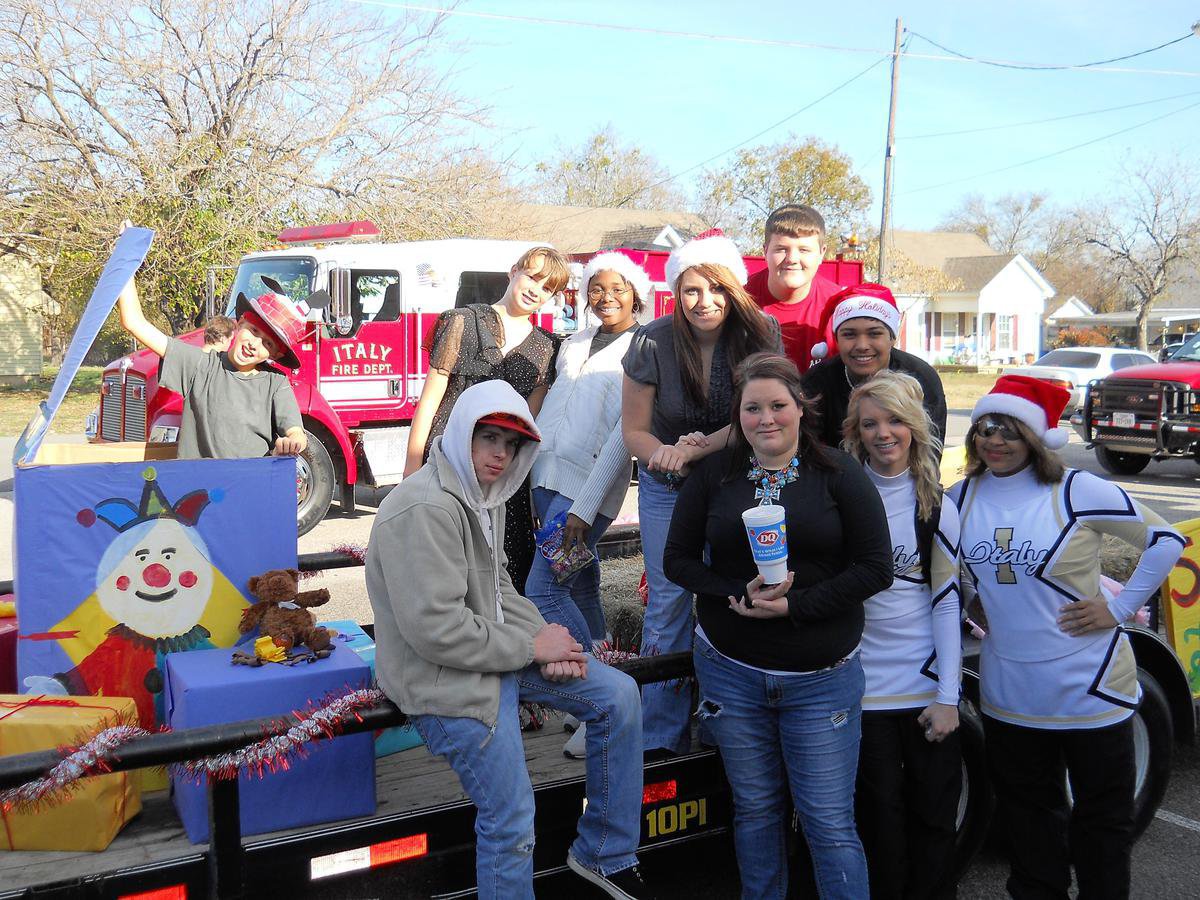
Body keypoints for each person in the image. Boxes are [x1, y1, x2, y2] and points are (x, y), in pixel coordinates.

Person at [366, 380, 651, 900]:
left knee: (618, 696)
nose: (500, 454)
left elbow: (497, 588)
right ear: (460, 435)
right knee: (512, 814)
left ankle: (604, 853)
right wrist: (531, 648)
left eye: (511, 443)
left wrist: (545, 635)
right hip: (443, 680)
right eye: (488, 438)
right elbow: (437, 632)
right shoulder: (424, 508)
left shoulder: (482, 495)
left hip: (490, 654)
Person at [663, 352, 893, 899]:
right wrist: (730, 591)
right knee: (757, 811)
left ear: (800, 407)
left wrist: (798, 606)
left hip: (820, 680)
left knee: (828, 823)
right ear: (737, 416)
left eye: (778, 405)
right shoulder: (715, 475)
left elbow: (875, 567)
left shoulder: (838, 473)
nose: (766, 418)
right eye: (752, 408)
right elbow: (678, 560)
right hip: (732, 674)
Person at [947, 375, 1184, 900]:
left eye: (1010, 429)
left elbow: (1166, 539)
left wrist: (1119, 608)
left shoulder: (1076, 489)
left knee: (1101, 828)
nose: (995, 440)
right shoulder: (960, 497)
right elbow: (952, 570)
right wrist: (971, 600)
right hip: (1009, 693)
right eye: (985, 427)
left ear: (1036, 437)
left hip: (1090, 689)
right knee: (1030, 829)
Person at [622, 230, 781, 757]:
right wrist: (666, 454)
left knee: (730, 594)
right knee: (667, 603)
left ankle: (722, 728)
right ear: (675, 291)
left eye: (716, 289)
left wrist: (698, 448)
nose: (704, 302)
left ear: (734, 289)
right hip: (667, 486)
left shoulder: (762, 334)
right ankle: (660, 736)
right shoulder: (651, 340)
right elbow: (635, 431)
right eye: (691, 290)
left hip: (737, 486)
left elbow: (762, 417)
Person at [841, 370, 963, 900]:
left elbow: (947, 601)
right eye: (870, 423)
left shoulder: (937, 504)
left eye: (895, 420)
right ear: (855, 431)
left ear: (915, 426)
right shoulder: (839, 494)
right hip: (861, 685)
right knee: (878, 817)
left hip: (921, 684)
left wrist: (949, 696)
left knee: (933, 814)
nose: (883, 433)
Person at [526, 252, 646, 759]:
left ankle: (601, 698)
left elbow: (623, 434)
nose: (606, 297)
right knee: (583, 587)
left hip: (584, 493)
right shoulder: (573, 343)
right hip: (546, 479)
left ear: (636, 292)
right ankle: (588, 707)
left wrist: (587, 505)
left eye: (618, 287)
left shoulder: (642, 347)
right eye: (597, 288)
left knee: (543, 589)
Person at [404, 246, 569, 592]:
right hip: (449, 460)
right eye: (533, 276)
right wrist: (412, 466)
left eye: (548, 288)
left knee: (500, 576)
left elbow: (530, 423)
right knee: (441, 562)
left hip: (503, 475)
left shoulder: (548, 347)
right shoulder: (462, 322)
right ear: (513, 271)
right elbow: (430, 400)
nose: (535, 289)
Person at [116, 277, 307, 459]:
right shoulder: (200, 365)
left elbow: (296, 432)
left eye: (267, 344)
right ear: (240, 323)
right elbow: (133, 322)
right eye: (253, 330)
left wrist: (292, 442)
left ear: (275, 355)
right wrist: (127, 260)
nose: (254, 344)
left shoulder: (275, 382)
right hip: (198, 489)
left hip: (249, 487)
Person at [802, 283, 947, 448]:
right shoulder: (817, 383)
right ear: (837, 340)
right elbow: (808, 453)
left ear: (892, 338)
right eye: (849, 335)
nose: (862, 345)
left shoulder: (921, 377)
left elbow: (929, 453)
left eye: (874, 334)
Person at [743, 204, 845, 372]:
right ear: (765, 251)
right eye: (781, 249)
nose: (792, 259)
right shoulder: (740, 298)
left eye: (804, 250)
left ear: (821, 253)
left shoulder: (839, 306)